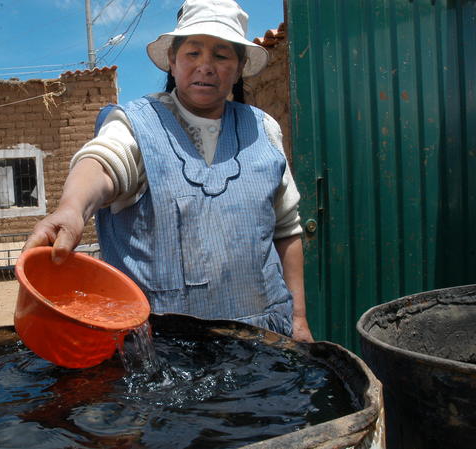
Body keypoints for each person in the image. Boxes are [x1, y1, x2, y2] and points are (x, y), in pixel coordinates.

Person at [23, 0, 314, 343]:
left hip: (262, 340)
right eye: (193, 53)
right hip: (162, 350)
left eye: (221, 56)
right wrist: (72, 209)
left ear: (239, 68)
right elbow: (102, 162)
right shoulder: (135, 125)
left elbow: (286, 230)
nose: (205, 66)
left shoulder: (263, 129)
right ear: (173, 62)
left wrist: (298, 320)